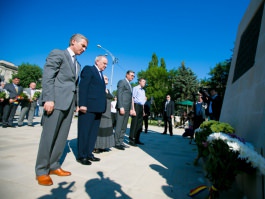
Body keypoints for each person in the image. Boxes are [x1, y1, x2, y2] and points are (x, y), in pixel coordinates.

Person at [35, 33, 88, 186]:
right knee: (49, 136)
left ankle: (54, 165)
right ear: (73, 41)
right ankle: (41, 170)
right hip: (56, 101)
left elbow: (75, 86)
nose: (84, 49)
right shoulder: (58, 53)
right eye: (82, 45)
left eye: (86, 47)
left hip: (69, 105)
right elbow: (48, 76)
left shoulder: (77, 64)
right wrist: (49, 98)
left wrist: (77, 104)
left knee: (61, 137)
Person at [77, 55, 108, 165]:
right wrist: (82, 104)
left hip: (98, 109)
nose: (106, 66)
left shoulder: (101, 74)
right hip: (88, 108)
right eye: (104, 63)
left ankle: (89, 153)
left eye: (107, 64)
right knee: (85, 132)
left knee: (93, 133)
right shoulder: (89, 69)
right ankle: (82, 155)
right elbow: (83, 87)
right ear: (97, 61)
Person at [114, 70, 135, 150]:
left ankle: (121, 141)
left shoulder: (130, 85)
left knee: (124, 126)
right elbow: (119, 94)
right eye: (131, 75)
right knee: (119, 126)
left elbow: (130, 98)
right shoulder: (122, 82)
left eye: (133, 76)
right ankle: (116, 143)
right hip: (122, 107)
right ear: (127, 75)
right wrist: (121, 107)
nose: (132, 77)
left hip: (127, 108)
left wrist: (130, 109)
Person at [94, 75, 115, 153]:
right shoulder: (98, 88)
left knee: (107, 130)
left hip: (108, 113)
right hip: (102, 112)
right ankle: (96, 146)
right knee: (100, 130)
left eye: (107, 79)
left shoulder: (107, 90)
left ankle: (104, 145)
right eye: (105, 78)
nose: (107, 80)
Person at [129, 78, 146, 146]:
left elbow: (143, 101)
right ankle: (131, 140)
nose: (144, 83)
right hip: (136, 106)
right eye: (143, 81)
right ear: (139, 82)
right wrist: (133, 109)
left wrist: (143, 110)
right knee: (134, 123)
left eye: (145, 82)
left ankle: (137, 139)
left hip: (141, 107)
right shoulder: (136, 88)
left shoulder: (143, 91)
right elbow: (132, 98)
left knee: (139, 124)